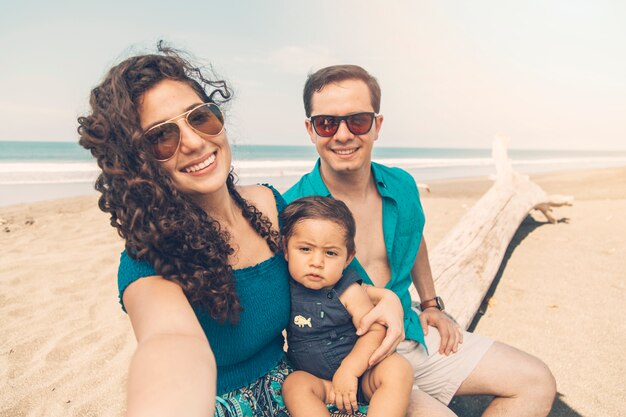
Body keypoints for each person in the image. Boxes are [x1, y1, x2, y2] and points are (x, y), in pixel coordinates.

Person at [77, 45, 405, 417]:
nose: (196, 142)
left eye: (200, 118)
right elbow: (169, 343)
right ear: (136, 160)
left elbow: (324, 275)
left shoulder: (269, 204)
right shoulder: (148, 260)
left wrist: (385, 299)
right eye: (161, 137)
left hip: (304, 387)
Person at [284, 64, 557, 417]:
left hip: (410, 332)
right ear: (310, 129)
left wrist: (430, 304)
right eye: (327, 123)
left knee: (536, 380)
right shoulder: (289, 209)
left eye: (358, 121)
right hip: (345, 359)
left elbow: (415, 240)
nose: (342, 134)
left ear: (377, 126)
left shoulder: (401, 185)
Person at [280, 196, 413, 417]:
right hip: (323, 385)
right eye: (305, 249)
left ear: (348, 257)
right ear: (285, 249)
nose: (316, 262)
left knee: (398, 369)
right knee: (294, 384)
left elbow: (375, 330)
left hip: (363, 377)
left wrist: (350, 371)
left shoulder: (349, 291)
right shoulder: (285, 286)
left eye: (330, 253)